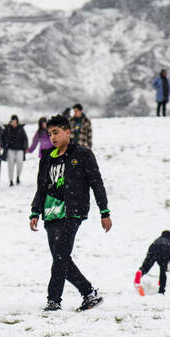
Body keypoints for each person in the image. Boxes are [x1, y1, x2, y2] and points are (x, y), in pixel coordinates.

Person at [29, 114, 112, 312]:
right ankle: (89, 293)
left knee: (60, 258)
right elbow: (41, 187)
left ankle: (53, 300)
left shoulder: (83, 154)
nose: (53, 138)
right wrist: (35, 211)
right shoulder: (47, 157)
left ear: (68, 131)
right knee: (61, 258)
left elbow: (96, 183)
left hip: (72, 212)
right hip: (50, 213)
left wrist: (104, 211)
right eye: (50, 134)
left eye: (56, 133)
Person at [134, 231, 170, 295]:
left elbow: (150, 248)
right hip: (164, 252)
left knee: (147, 266)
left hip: (153, 250)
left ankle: (141, 271)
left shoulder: (157, 240)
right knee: (163, 271)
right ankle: (161, 290)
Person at [2, 114, 28, 186]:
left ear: (17, 122)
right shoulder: (7, 129)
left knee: (20, 164)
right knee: (10, 166)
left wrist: (25, 147)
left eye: (15, 122)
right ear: (10, 122)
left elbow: (25, 139)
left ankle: (18, 177)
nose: (14, 123)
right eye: (13, 122)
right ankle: (10, 180)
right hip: (10, 149)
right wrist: (3, 146)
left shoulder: (21, 129)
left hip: (20, 149)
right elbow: (2, 139)